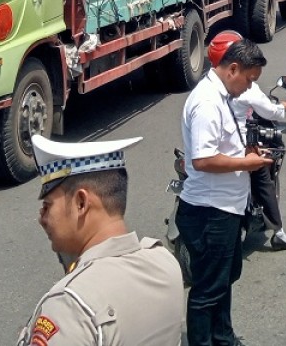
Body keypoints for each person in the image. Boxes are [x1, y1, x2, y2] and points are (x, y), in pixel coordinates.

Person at [20, 135, 183, 346]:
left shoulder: (69, 307)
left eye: (48, 206)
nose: (41, 218)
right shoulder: (165, 263)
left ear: (81, 203)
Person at [176, 37, 274, 346]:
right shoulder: (207, 102)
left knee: (225, 278)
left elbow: (221, 145)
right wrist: (247, 163)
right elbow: (203, 159)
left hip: (226, 208)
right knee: (207, 289)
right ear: (233, 69)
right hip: (210, 211)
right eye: (249, 79)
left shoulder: (222, 97)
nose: (249, 87)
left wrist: (247, 151)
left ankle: (223, 336)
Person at [209, 30, 286, 252]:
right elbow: (270, 111)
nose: (249, 83)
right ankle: (279, 232)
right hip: (237, 144)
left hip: (219, 144)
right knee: (263, 178)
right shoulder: (245, 89)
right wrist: (282, 107)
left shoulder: (209, 85)